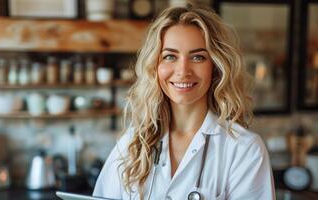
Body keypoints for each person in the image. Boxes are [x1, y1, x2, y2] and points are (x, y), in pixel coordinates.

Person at [93, 5, 275, 200]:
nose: (183, 70)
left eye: (198, 57)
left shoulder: (244, 149)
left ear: (215, 67)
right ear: (155, 66)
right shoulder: (132, 143)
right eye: (170, 56)